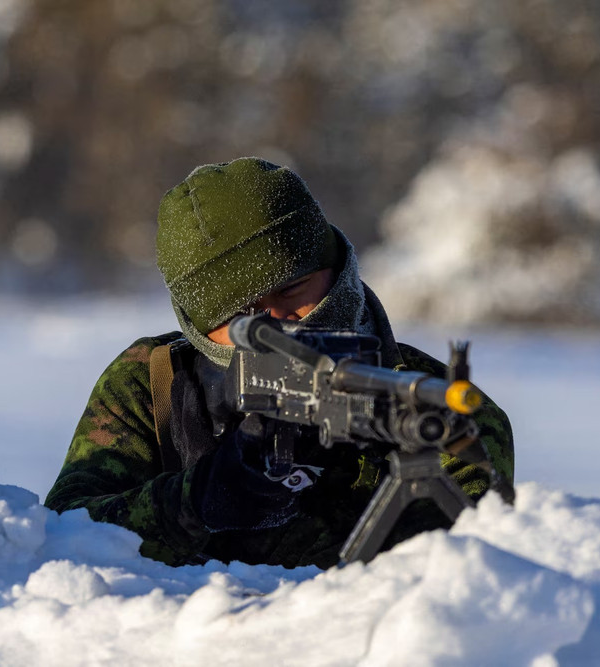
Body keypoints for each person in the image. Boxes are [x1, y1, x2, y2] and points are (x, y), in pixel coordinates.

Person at [44, 157, 514, 568]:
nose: (278, 325)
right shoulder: (153, 384)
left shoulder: (429, 404)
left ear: (337, 270)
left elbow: (461, 584)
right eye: (242, 317)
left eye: (291, 290)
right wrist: (197, 500)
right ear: (199, 328)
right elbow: (62, 537)